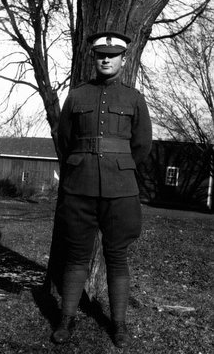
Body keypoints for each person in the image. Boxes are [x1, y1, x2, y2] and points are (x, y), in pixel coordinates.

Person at [51, 31, 152, 348]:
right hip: (79, 189)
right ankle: (66, 319)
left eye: (113, 55)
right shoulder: (77, 96)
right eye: (100, 55)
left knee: (117, 257)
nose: (106, 59)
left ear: (123, 60)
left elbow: (142, 145)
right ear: (94, 59)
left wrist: (118, 166)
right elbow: (64, 140)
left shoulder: (134, 98)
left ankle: (118, 324)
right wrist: (81, 165)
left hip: (121, 191)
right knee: (76, 257)